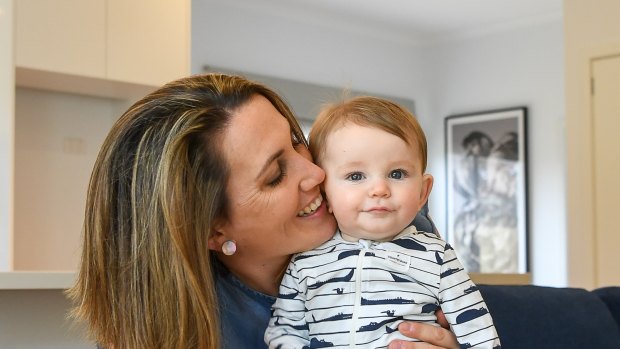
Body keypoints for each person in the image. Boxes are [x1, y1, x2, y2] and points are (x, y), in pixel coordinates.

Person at [66, 73, 460, 349]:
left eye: (296, 141)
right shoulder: (166, 331)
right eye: (275, 176)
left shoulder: (385, 220)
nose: (316, 172)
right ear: (212, 231)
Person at [265, 96, 500, 348]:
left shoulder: (438, 257)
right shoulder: (304, 264)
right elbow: (284, 332)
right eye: (356, 176)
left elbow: (479, 333)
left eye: (396, 174)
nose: (379, 188)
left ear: (423, 192)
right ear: (325, 193)